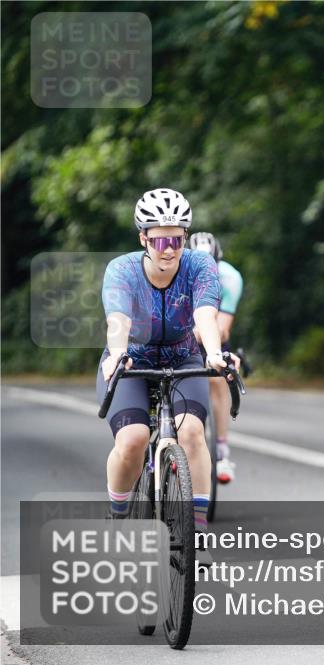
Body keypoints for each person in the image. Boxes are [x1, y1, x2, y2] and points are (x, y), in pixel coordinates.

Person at [97, 188, 239, 546]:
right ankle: (117, 514)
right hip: (132, 359)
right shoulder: (123, 269)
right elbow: (118, 320)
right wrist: (116, 355)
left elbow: (205, 315)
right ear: (143, 238)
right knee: (133, 439)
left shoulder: (199, 266)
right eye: (160, 241)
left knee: (191, 434)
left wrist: (214, 353)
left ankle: (199, 535)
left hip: (183, 357)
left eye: (177, 239)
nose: (170, 249)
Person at [188, 232, 244, 484]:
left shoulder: (230, 278)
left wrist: (202, 334)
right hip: (183, 335)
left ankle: (221, 450)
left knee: (218, 379)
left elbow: (221, 329)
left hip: (213, 333)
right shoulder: (178, 273)